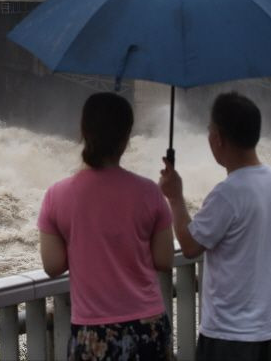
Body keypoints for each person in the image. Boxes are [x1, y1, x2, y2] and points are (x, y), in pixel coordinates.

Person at [159, 91, 271, 361]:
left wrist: (175, 197)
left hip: (229, 336)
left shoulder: (227, 193)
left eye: (210, 130)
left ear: (218, 138)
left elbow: (189, 246)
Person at [38, 92, 174, 361]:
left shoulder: (58, 195)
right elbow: (164, 259)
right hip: (148, 325)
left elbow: (52, 266)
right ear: (126, 139)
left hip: (93, 330)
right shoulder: (150, 192)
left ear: (83, 132)